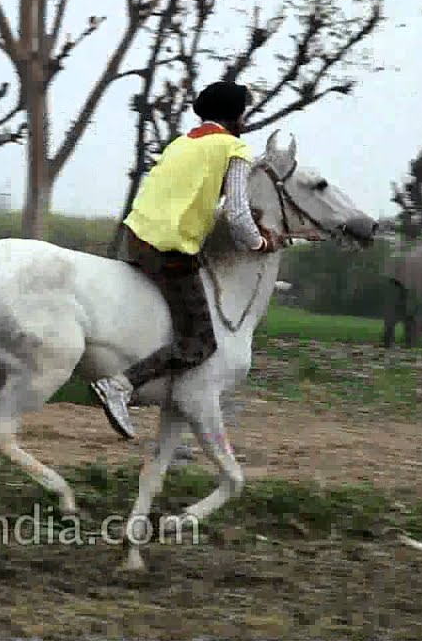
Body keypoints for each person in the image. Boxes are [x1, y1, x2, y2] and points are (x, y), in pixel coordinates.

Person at [92, 81, 282, 440]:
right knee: (200, 342)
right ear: (236, 114)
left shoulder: (180, 144)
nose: (245, 117)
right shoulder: (235, 148)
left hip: (136, 238)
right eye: (243, 110)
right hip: (171, 250)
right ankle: (121, 386)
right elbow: (238, 214)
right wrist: (259, 244)